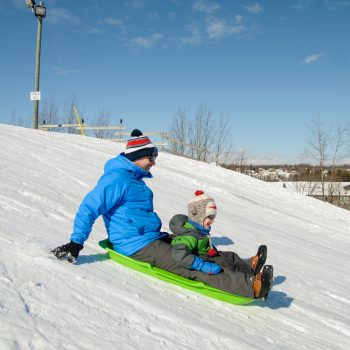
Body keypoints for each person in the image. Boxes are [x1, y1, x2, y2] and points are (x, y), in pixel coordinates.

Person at [51, 130, 272, 300]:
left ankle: (246, 266)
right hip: (136, 245)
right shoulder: (116, 179)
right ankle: (249, 286)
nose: (154, 163)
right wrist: (75, 243)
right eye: (151, 158)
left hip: (152, 237)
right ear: (138, 157)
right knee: (188, 264)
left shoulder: (135, 180)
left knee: (195, 246)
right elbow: (89, 208)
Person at [169, 190, 273, 299]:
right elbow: (179, 254)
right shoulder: (189, 236)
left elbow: (202, 245)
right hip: (201, 260)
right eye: (210, 217)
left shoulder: (199, 230)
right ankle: (252, 286)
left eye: (214, 217)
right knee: (224, 267)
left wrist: (211, 249)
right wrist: (202, 265)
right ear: (198, 217)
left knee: (230, 256)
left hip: (207, 255)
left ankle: (251, 267)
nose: (213, 221)